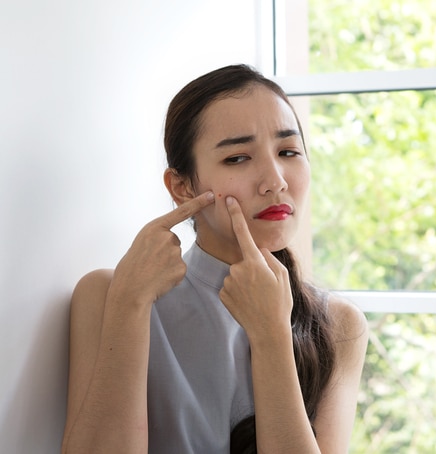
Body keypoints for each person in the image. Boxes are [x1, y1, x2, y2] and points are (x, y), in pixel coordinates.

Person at [61, 64, 369, 453]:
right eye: (238, 158)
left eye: (288, 151)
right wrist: (130, 303)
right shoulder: (110, 295)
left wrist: (272, 336)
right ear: (183, 186)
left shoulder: (338, 325)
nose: (275, 180)